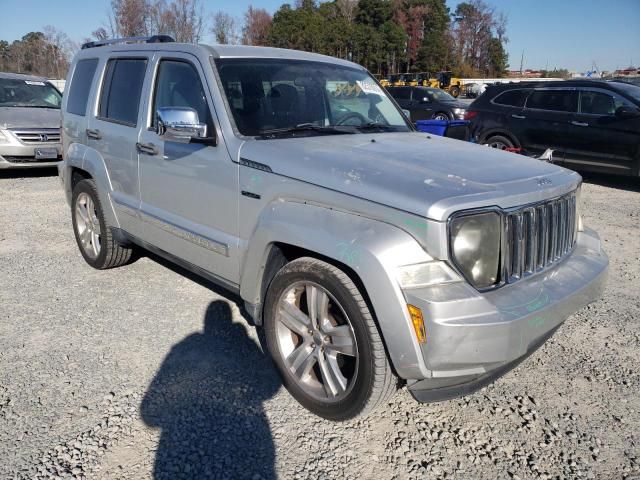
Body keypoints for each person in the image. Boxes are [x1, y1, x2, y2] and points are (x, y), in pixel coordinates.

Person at [141, 300, 280, 479]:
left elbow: (149, 415)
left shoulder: (186, 345)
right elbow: (271, 387)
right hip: (259, 448)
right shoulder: (245, 341)